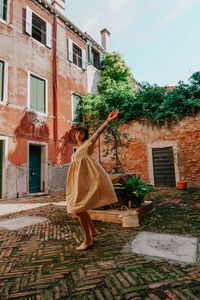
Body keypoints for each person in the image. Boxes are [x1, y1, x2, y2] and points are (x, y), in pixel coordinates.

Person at [66, 109, 119, 250]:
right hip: (78, 182)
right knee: (80, 209)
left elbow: (98, 133)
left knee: (78, 210)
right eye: (77, 132)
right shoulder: (76, 149)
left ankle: (88, 239)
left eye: (81, 132)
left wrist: (108, 120)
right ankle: (93, 231)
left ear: (85, 135)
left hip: (87, 180)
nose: (78, 134)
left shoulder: (88, 144)